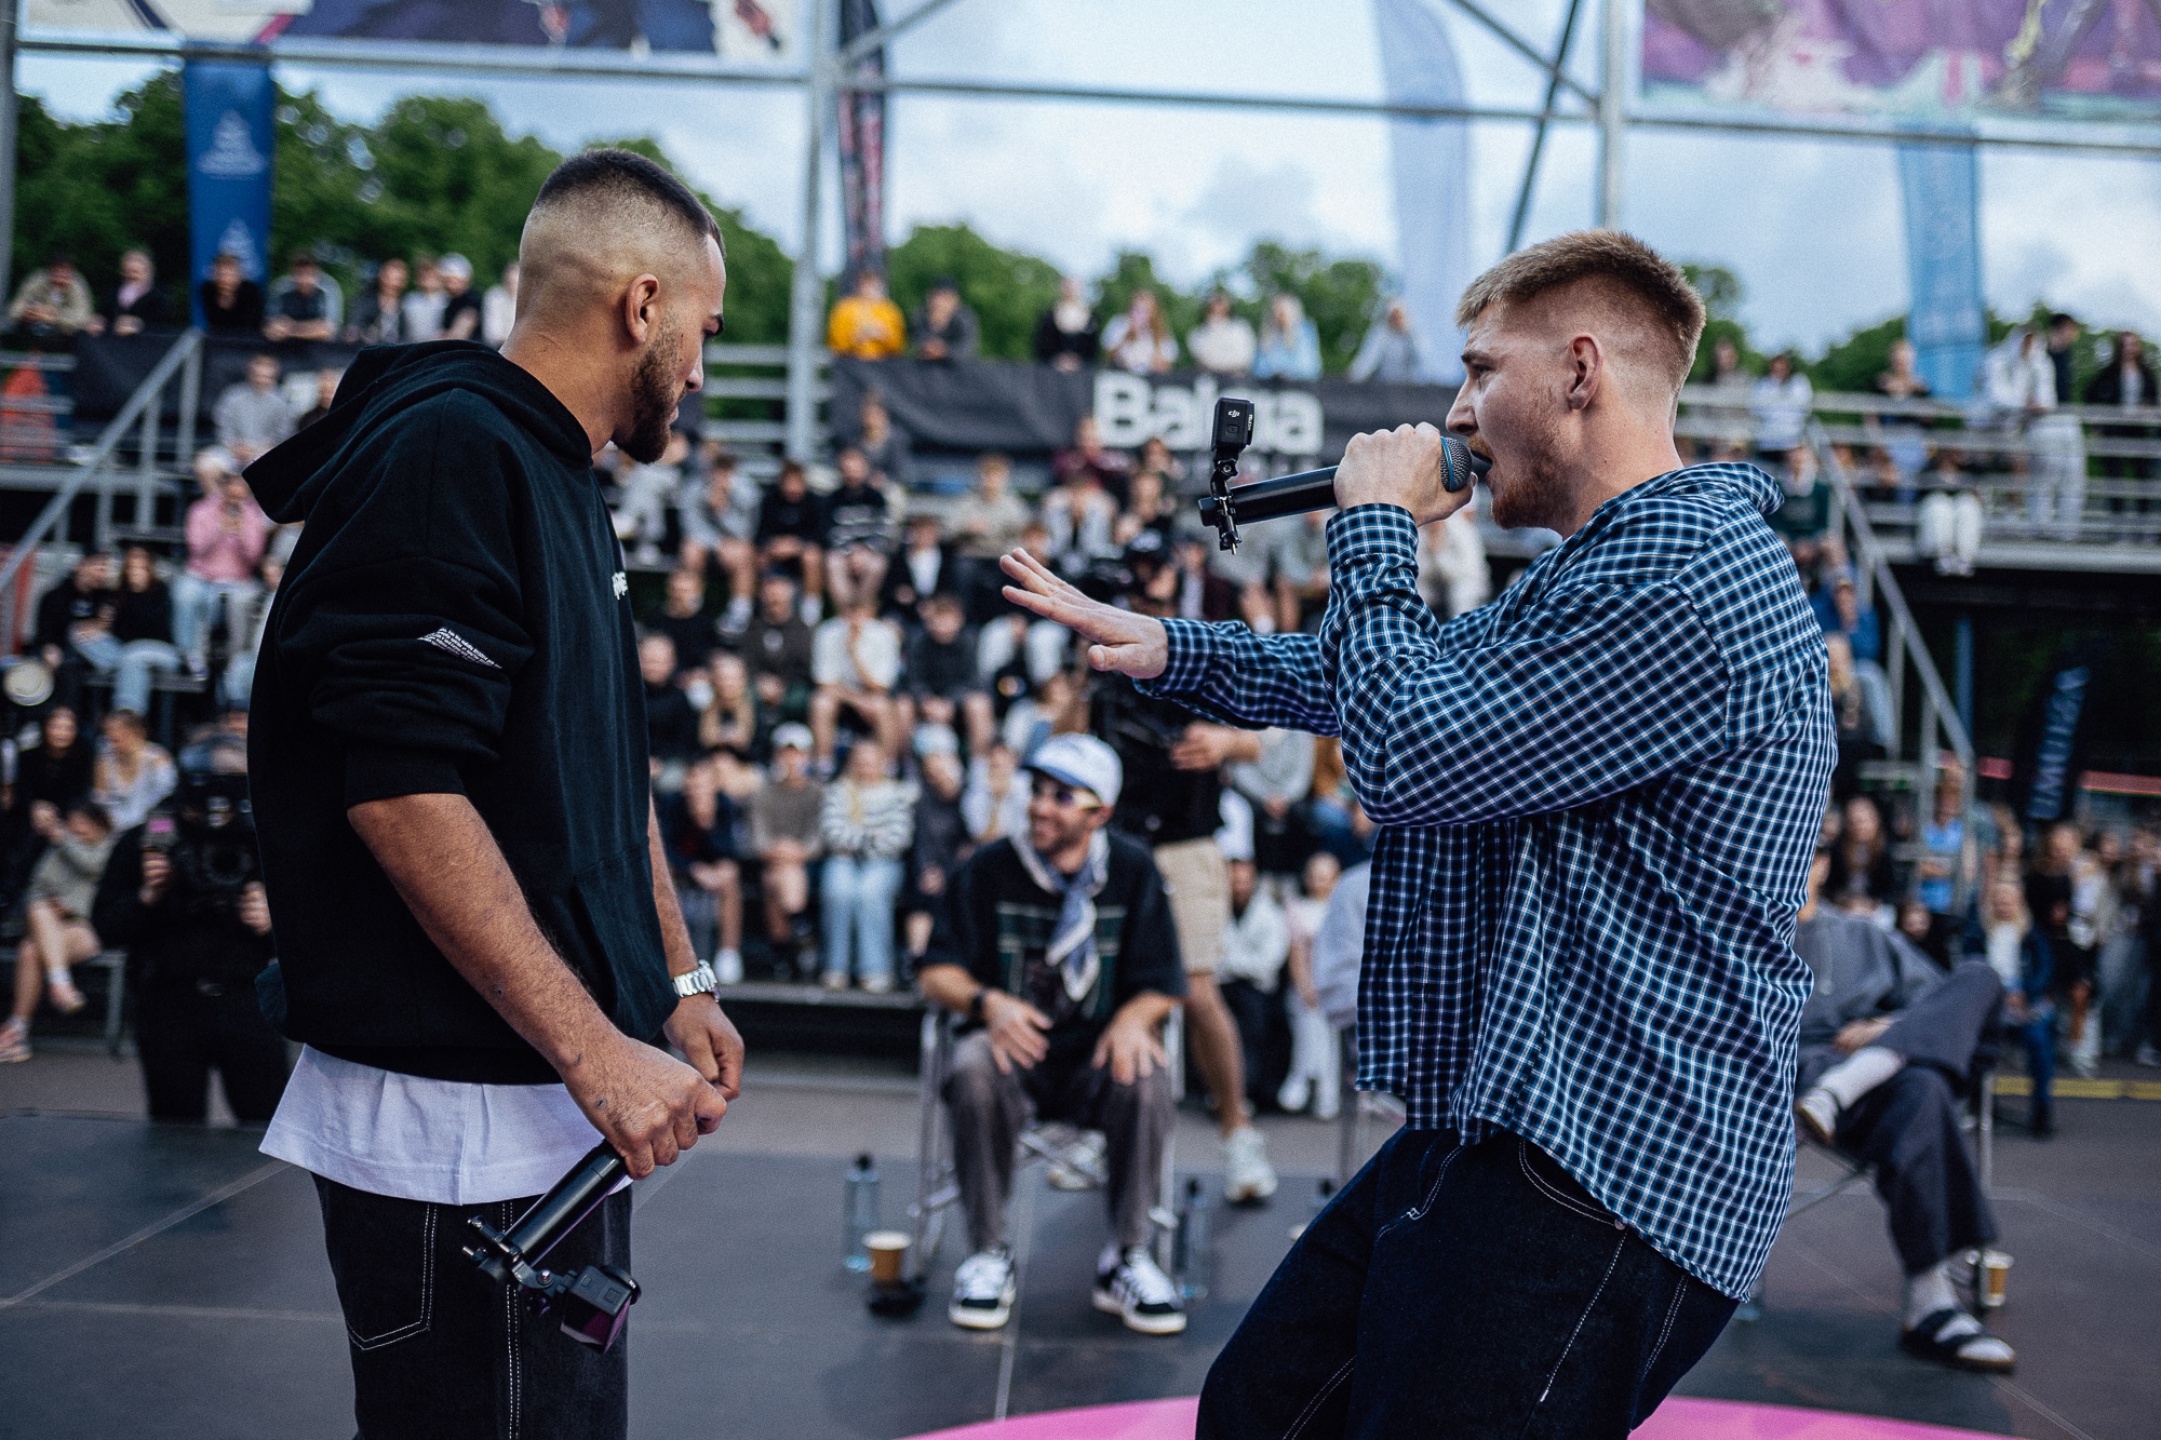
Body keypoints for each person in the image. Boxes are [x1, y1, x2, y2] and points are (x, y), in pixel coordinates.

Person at [1000, 230, 1835, 1436]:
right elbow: (1401, 680)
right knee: (1258, 1411)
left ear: (1579, 370)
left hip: (1612, 1159)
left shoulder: (1690, 575)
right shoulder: (1606, 566)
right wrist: (1171, 646)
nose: (1454, 411)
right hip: (1511, 1122)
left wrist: (1379, 528)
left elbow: (1410, 756)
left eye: (1480, 370)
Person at [245, 150, 742, 1440]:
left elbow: (598, 765)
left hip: (542, 1110)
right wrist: (597, 1053)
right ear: (642, 304)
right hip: (455, 1136)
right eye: (704, 329)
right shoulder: (450, 452)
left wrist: (674, 979)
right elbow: (402, 789)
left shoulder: (554, 467)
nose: (702, 369)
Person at [916, 734, 1187, 1335]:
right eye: (1037, 790)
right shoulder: (988, 868)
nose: (1040, 806)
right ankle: (988, 1252)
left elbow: (1166, 982)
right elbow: (936, 971)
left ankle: (1126, 1256)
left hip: (1096, 1058)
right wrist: (989, 1003)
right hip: (1014, 1055)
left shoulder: (1133, 870)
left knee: (1147, 1071)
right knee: (972, 1064)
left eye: (1062, 796)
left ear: (1100, 813)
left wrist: (1133, 1018)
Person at [1788, 847, 2017, 1373]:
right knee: (1923, 1091)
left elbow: (1939, 1003)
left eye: (1814, 849)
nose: (1800, 857)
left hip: (1886, 1061)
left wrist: (1887, 1030)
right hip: (1810, 1070)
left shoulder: (1864, 934)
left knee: (1980, 976)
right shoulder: (1750, 933)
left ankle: (1858, 1077)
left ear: (1826, 864)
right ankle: (1931, 1301)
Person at [1094, 670, 1278, 1207]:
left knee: (1197, 991)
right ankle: (1112, 1135)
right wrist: (1077, 688)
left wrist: (1224, 742)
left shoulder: (1201, 652)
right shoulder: (1105, 670)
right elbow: (1068, 740)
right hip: (1120, 842)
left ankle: (1238, 1131)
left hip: (1188, 844)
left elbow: (1262, 738)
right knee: (1120, 994)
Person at [92, 736, 289, 1122]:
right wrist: (147, 896)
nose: (217, 815)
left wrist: (273, 922)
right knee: (175, 1128)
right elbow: (105, 927)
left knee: (265, 1124)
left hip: (247, 999)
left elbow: (314, 936)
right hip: (169, 1000)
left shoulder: (264, 840)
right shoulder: (148, 841)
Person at [0, 801, 115, 1063]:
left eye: (83, 825)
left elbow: (93, 866)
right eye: (72, 826)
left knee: (30, 950)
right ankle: (60, 984)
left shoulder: (110, 849)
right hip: (48, 924)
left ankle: (17, 1030)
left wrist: (71, 905)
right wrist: (54, 902)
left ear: (100, 826)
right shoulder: (59, 849)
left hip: (86, 927)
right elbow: (38, 885)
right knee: (37, 911)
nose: (76, 831)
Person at [817, 737, 915, 991]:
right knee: (838, 890)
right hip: (844, 859)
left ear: (882, 764)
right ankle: (835, 966)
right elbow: (832, 834)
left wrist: (859, 840)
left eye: (871, 762)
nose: (865, 767)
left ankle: (875, 969)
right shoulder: (838, 791)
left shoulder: (898, 793)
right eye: (860, 762)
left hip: (884, 862)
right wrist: (872, 838)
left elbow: (899, 838)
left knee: (870, 892)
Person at [174, 460, 270, 675]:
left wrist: (241, 531)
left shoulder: (253, 515)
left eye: (240, 487)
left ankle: (236, 659)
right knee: (186, 594)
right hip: (201, 576)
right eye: (232, 486)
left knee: (240, 601)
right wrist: (219, 529)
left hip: (237, 580)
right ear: (224, 487)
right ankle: (189, 654)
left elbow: (254, 557)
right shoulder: (201, 510)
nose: (235, 492)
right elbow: (197, 549)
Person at [1976, 877, 2056, 1134]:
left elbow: (2044, 970)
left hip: (2024, 1004)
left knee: (2040, 1044)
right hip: (1989, 1004)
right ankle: (1982, 1105)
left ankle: (2041, 1108)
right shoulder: (1979, 932)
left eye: (2008, 902)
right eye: (1998, 902)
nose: (2003, 907)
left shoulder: (2032, 934)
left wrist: (2026, 992)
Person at [1217, 854, 1291, 1109]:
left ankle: (1247, 1093)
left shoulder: (1269, 913)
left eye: (1243, 881)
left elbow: (1269, 960)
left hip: (1257, 990)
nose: (1238, 887)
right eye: (1233, 881)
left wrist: (1232, 963)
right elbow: (1212, 954)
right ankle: (1224, 1093)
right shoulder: (1218, 910)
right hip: (1225, 986)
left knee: (1252, 1035)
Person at [750, 724, 824, 970]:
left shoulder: (818, 792)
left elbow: (819, 838)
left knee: (778, 878)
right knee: (776, 877)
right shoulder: (764, 793)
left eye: (798, 754)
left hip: (811, 865)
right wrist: (781, 850)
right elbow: (758, 838)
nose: (791, 760)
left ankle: (783, 950)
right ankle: (799, 928)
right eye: (786, 753)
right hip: (775, 862)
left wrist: (797, 851)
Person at [1276, 850, 1342, 1118]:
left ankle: (1311, 1085)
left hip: (1334, 987)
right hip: (1306, 987)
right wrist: (1305, 987)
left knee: (1328, 1037)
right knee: (1310, 1025)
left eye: (1325, 877)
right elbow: (1297, 954)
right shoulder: (1298, 909)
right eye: (1315, 876)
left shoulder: (1340, 910)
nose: (1319, 882)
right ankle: (1309, 1082)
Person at [809, 595, 905, 768]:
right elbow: (824, 683)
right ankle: (823, 764)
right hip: (840, 695)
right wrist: (858, 701)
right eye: (850, 612)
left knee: (882, 706)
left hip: (872, 694)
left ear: (871, 613)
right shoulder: (828, 632)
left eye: (860, 613)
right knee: (821, 703)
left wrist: (854, 654)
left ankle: (888, 766)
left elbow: (880, 686)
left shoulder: (885, 635)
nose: (854, 618)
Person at [741, 568, 816, 714]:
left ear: (791, 591)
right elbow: (746, 660)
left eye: (779, 586)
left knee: (803, 697)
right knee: (742, 693)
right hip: (759, 685)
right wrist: (761, 680)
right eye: (768, 586)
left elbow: (806, 666)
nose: (773, 592)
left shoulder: (803, 629)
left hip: (792, 687)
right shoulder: (753, 627)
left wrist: (782, 684)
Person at [755, 459, 829, 604]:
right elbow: (760, 533)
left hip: (802, 551)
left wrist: (796, 544)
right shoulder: (770, 501)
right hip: (776, 552)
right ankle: (758, 605)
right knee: (758, 556)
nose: (792, 487)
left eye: (796, 482)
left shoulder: (815, 502)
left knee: (812, 556)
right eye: (789, 482)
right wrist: (773, 544)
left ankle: (811, 607)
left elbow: (821, 535)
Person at [93, 708, 177, 834]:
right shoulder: (103, 761)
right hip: (113, 829)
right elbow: (100, 802)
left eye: (116, 740)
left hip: (152, 827)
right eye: (109, 738)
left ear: (137, 733)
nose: (110, 744)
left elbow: (169, 801)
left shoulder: (158, 758)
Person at [213, 354, 296, 465]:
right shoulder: (232, 395)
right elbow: (222, 425)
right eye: (258, 376)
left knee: (264, 464)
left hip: (266, 451)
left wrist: (258, 448)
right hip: (231, 450)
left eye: (266, 377)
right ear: (250, 374)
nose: (261, 381)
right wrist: (234, 446)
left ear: (275, 377)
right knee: (206, 465)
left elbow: (283, 433)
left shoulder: (283, 400)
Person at [89, 249, 175, 336]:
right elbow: (103, 317)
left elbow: (163, 325)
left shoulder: (160, 296)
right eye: (127, 271)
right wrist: (98, 322)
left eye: (135, 272)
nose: (131, 276)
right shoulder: (112, 295)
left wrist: (138, 325)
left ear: (148, 273)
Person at [7, 254, 96, 338]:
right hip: (34, 326)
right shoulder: (36, 281)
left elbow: (83, 317)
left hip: (65, 332)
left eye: (65, 273)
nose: (60, 279)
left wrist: (54, 315)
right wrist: (30, 313)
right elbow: (14, 309)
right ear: (49, 271)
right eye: (57, 272)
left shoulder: (77, 286)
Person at [1751, 350, 1813, 468]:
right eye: (1776, 363)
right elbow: (1757, 410)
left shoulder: (1799, 383)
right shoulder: (1762, 385)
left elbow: (1805, 409)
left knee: (1802, 464)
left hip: (1792, 439)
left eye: (1782, 363)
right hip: (1768, 440)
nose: (1779, 367)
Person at [827, 269, 906, 360]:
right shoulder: (845, 309)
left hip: (883, 363)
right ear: (859, 286)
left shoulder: (889, 310)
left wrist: (883, 335)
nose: (871, 289)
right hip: (850, 362)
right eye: (867, 284)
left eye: (875, 284)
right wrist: (856, 338)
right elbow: (835, 345)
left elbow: (899, 345)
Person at [263, 252, 343, 342]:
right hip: (285, 346)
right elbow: (270, 328)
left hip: (320, 346)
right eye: (299, 274)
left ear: (316, 272)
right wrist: (312, 328)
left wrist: (291, 329)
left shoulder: (328, 288)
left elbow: (328, 330)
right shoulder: (281, 288)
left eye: (308, 274)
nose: (303, 280)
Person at [1101, 289, 1177, 375]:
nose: (1139, 314)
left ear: (1153, 313)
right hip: (1120, 375)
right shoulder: (1120, 323)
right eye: (1136, 309)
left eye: (1144, 311)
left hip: (1149, 378)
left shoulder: (1161, 332)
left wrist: (1154, 362)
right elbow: (1108, 354)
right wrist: (1127, 336)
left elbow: (1167, 364)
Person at [1032, 275, 1100, 371]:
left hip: (1083, 371)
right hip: (1051, 370)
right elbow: (1041, 344)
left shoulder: (1091, 317)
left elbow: (1093, 348)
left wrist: (1078, 361)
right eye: (1068, 287)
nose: (1070, 291)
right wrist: (1057, 360)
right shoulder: (1048, 316)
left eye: (1073, 287)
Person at [1349, 297, 1420, 383]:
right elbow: (1369, 357)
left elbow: (1420, 361)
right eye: (1394, 317)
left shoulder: (1410, 336)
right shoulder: (1381, 334)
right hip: (1384, 384)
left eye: (1399, 317)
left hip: (1407, 384)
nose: (1397, 320)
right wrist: (1354, 376)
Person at [1187, 291, 1256, 377]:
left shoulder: (1241, 329)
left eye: (1221, 304)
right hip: (1209, 379)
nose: (1218, 308)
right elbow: (1204, 357)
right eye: (1214, 305)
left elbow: (1244, 358)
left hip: (1237, 378)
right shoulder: (1197, 334)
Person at [1253, 294, 1321, 381]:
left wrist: (1286, 372)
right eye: (1275, 311)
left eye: (1282, 312)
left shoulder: (1304, 331)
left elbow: (1308, 367)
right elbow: (1258, 368)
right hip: (1269, 385)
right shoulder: (1267, 335)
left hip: (1299, 384)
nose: (1278, 315)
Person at [911, 276, 979, 361]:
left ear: (956, 300)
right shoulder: (920, 317)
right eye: (938, 297)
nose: (941, 303)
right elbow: (921, 343)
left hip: (956, 366)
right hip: (927, 365)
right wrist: (935, 324)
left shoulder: (965, 320)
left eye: (947, 299)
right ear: (929, 297)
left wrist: (944, 351)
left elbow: (966, 351)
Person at [198, 252, 266, 336]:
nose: (226, 280)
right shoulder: (207, 290)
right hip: (217, 338)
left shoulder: (252, 291)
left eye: (230, 274)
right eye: (221, 274)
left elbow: (254, 322)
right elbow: (213, 320)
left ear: (240, 275)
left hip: (249, 338)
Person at [344, 258, 409, 345]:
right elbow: (353, 328)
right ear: (381, 277)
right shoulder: (364, 300)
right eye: (389, 278)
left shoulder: (407, 304)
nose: (392, 284)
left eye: (398, 280)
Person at [400, 255, 448, 342]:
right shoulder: (409, 300)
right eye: (424, 276)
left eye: (433, 276)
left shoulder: (447, 300)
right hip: (412, 343)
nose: (429, 280)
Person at [437, 254, 482, 341]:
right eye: (446, 281)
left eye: (452, 280)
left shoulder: (472, 300)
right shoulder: (450, 302)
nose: (449, 285)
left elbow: (459, 334)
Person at [482, 262, 520, 348]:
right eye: (510, 282)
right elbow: (492, 334)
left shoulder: (529, 299)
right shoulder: (494, 296)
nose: (513, 286)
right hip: (498, 348)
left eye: (516, 282)